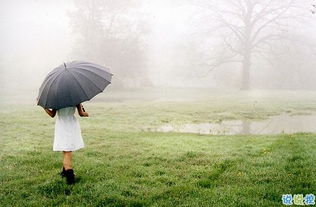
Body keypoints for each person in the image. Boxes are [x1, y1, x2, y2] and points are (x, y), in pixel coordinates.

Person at [44, 103, 89, 184]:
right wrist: (86, 113)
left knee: (66, 150)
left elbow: (52, 114)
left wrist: (44, 107)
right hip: (71, 124)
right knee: (67, 151)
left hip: (61, 125)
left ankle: (65, 173)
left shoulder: (57, 100)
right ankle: (70, 178)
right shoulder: (76, 99)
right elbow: (81, 114)